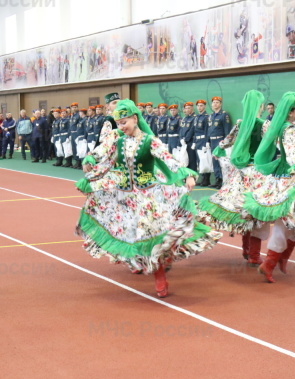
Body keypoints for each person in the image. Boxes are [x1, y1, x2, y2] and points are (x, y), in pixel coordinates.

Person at [75, 99, 221, 298]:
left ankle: (160, 276)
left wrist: (186, 173)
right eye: (119, 123)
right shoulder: (116, 139)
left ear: (135, 119)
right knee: (128, 232)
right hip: (123, 196)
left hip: (147, 197)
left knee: (151, 235)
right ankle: (135, 261)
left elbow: (168, 158)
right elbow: (102, 152)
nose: (122, 127)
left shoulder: (149, 141)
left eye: (125, 122)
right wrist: (90, 159)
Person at [244, 92, 295, 283]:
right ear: (290, 113)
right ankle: (270, 264)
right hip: (289, 180)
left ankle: (279, 260)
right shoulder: (289, 130)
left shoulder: (289, 127)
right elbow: (291, 153)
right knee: (287, 223)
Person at [199, 89, 268, 266]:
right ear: (261, 106)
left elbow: (226, 140)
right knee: (256, 213)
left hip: (241, 172)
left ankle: (246, 249)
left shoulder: (241, 123)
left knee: (242, 210)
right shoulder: (264, 125)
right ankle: (253, 254)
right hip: (258, 174)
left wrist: (218, 150)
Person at [207, 96, 232, 189]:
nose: (215, 104)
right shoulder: (211, 116)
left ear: (220, 104)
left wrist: (226, 143)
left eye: (217, 102)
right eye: (213, 103)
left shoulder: (224, 115)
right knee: (215, 161)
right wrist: (208, 141)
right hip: (212, 140)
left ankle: (223, 180)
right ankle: (217, 179)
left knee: (221, 161)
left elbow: (227, 130)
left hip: (220, 140)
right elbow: (209, 129)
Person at [194, 99, 211, 186]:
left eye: (201, 105)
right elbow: (195, 131)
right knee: (200, 160)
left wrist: (206, 142)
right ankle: (202, 178)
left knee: (205, 159)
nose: (199, 107)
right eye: (198, 106)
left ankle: (206, 179)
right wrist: (194, 142)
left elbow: (207, 130)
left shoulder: (206, 117)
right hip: (197, 140)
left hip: (203, 140)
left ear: (204, 106)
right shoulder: (197, 117)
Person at [178, 102, 197, 171]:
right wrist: (181, 139)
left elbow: (192, 129)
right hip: (183, 143)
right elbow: (181, 129)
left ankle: (192, 178)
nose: (187, 110)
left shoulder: (194, 118)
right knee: (184, 160)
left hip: (190, 142)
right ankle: (186, 177)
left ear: (192, 108)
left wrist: (186, 139)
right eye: (186, 108)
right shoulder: (184, 118)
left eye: (189, 108)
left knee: (192, 160)